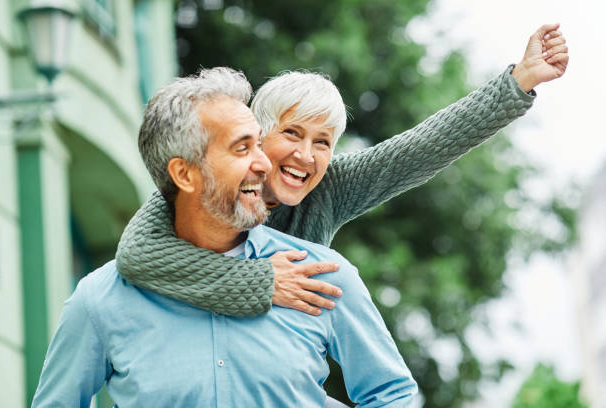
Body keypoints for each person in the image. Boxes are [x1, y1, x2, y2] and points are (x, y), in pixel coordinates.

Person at [116, 24, 569, 317]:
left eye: (323, 143)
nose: (306, 157)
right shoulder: (207, 181)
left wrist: (520, 81)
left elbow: (420, 149)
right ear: (256, 131)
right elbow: (136, 254)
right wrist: (263, 280)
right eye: (292, 134)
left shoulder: (329, 188)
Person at [32, 68, 417, 407]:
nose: (264, 163)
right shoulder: (100, 302)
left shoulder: (320, 277)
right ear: (184, 175)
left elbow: (393, 395)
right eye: (241, 148)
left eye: (258, 143)